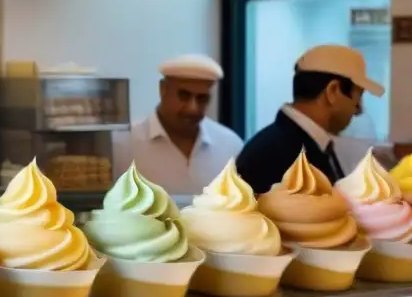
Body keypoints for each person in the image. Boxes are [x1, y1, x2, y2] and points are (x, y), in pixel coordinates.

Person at [236, 44, 384, 195]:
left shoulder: (288, 144)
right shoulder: (284, 155)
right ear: (332, 91)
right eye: (357, 98)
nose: (358, 110)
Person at [112, 55, 242, 195]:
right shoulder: (122, 143)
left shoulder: (230, 145)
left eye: (202, 98)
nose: (192, 108)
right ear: (162, 90)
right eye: (184, 95)